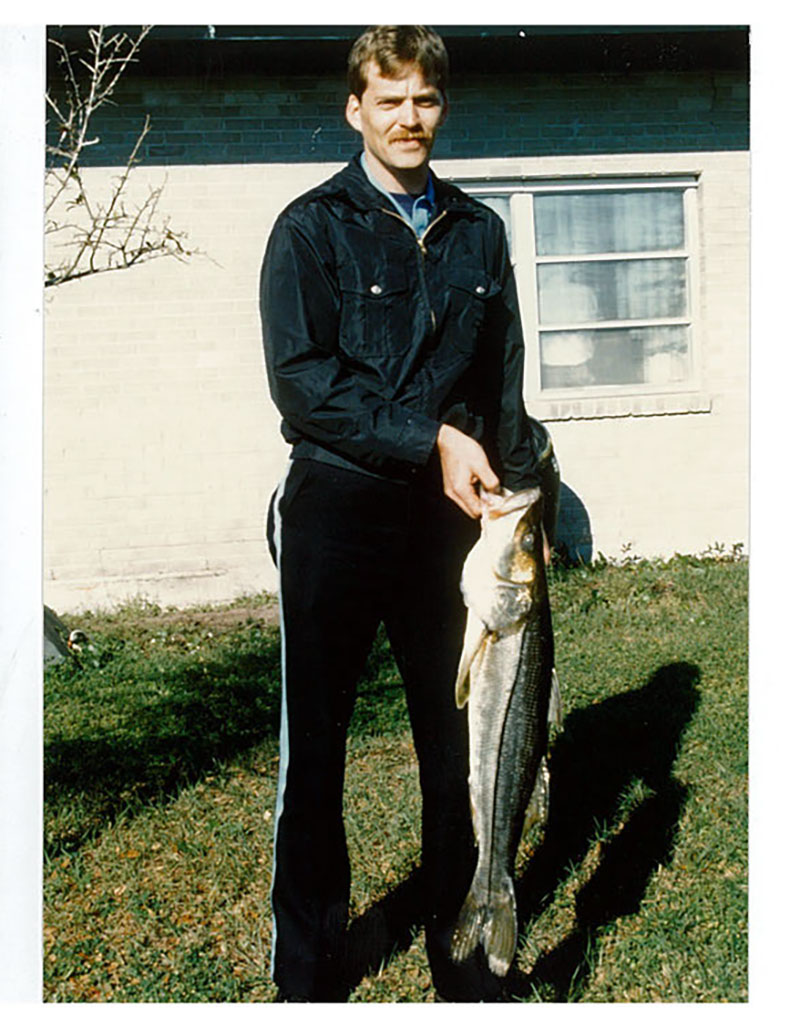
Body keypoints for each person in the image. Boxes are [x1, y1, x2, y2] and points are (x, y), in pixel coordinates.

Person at [259, 25, 546, 1002]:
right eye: (388, 100)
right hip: (335, 509)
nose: (407, 117)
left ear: (441, 107)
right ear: (355, 110)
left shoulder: (478, 232)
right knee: (317, 756)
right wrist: (427, 439)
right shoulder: (309, 228)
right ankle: (307, 977)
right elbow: (304, 387)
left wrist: (509, 481)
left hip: (446, 528)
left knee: (456, 744)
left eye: (422, 99)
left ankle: (464, 966)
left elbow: (499, 384)